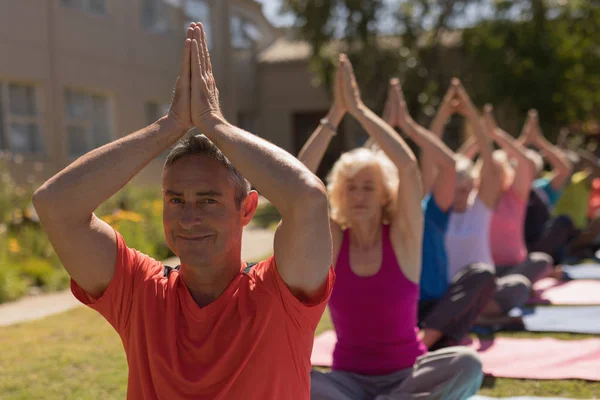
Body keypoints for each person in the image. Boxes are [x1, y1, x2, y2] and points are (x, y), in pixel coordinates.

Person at [33, 23, 334, 400]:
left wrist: (214, 124)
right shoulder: (141, 292)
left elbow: (308, 198)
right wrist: (169, 126)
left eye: (208, 200)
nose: (188, 219)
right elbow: (55, 204)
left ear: (247, 208)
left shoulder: (279, 295)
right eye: (176, 200)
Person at [299, 55, 482, 400]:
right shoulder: (334, 240)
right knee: (293, 374)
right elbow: (298, 179)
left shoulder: (402, 237)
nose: (359, 194)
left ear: (385, 194)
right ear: (340, 192)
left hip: (406, 378)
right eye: (351, 187)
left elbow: (409, 168)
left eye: (368, 187)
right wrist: (337, 113)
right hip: (347, 382)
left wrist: (360, 110)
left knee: (468, 364)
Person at [417, 80, 499, 349]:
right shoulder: (436, 211)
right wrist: (442, 112)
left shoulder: (480, 209)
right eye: (456, 188)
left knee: (492, 278)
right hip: (439, 300)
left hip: (473, 295)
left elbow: (489, 161)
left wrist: (471, 113)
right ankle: (431, 341)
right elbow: (430, 156)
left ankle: (429, 340)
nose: (461, 193)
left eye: (466, 188)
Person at [478, 108, 554, 319]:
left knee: (539, 263)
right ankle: (486, 306)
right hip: (485, 272)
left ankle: (487, 305)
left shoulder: (514, 196)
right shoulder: (475, 200)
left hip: (515, 267)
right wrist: (481, 137)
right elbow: (455, 163)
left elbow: (525, 162)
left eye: (497, 172)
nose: (493, 177)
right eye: (488, 172)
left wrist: (495, 135)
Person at [519, 111, 575, 263]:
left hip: (538, 246)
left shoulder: (542, 189)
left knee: (563, 221)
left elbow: (564, 169)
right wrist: (523, 141)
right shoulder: (506, 191)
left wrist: (538, 140)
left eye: (530, 169)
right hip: (516, 245)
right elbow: (501, 160)